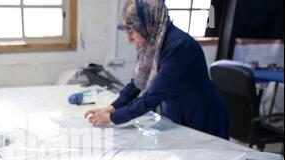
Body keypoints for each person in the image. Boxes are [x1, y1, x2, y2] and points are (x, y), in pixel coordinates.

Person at [85, 0, 230, 139]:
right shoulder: (151, 42)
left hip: (199, 110)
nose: (129, 39)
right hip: (174, 107)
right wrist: (111, 108)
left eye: (131, 31)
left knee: (203, 158)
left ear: (148, 23)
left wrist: (112, 118)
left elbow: (153, 96)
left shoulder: (178, 46)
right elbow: (137, 82)